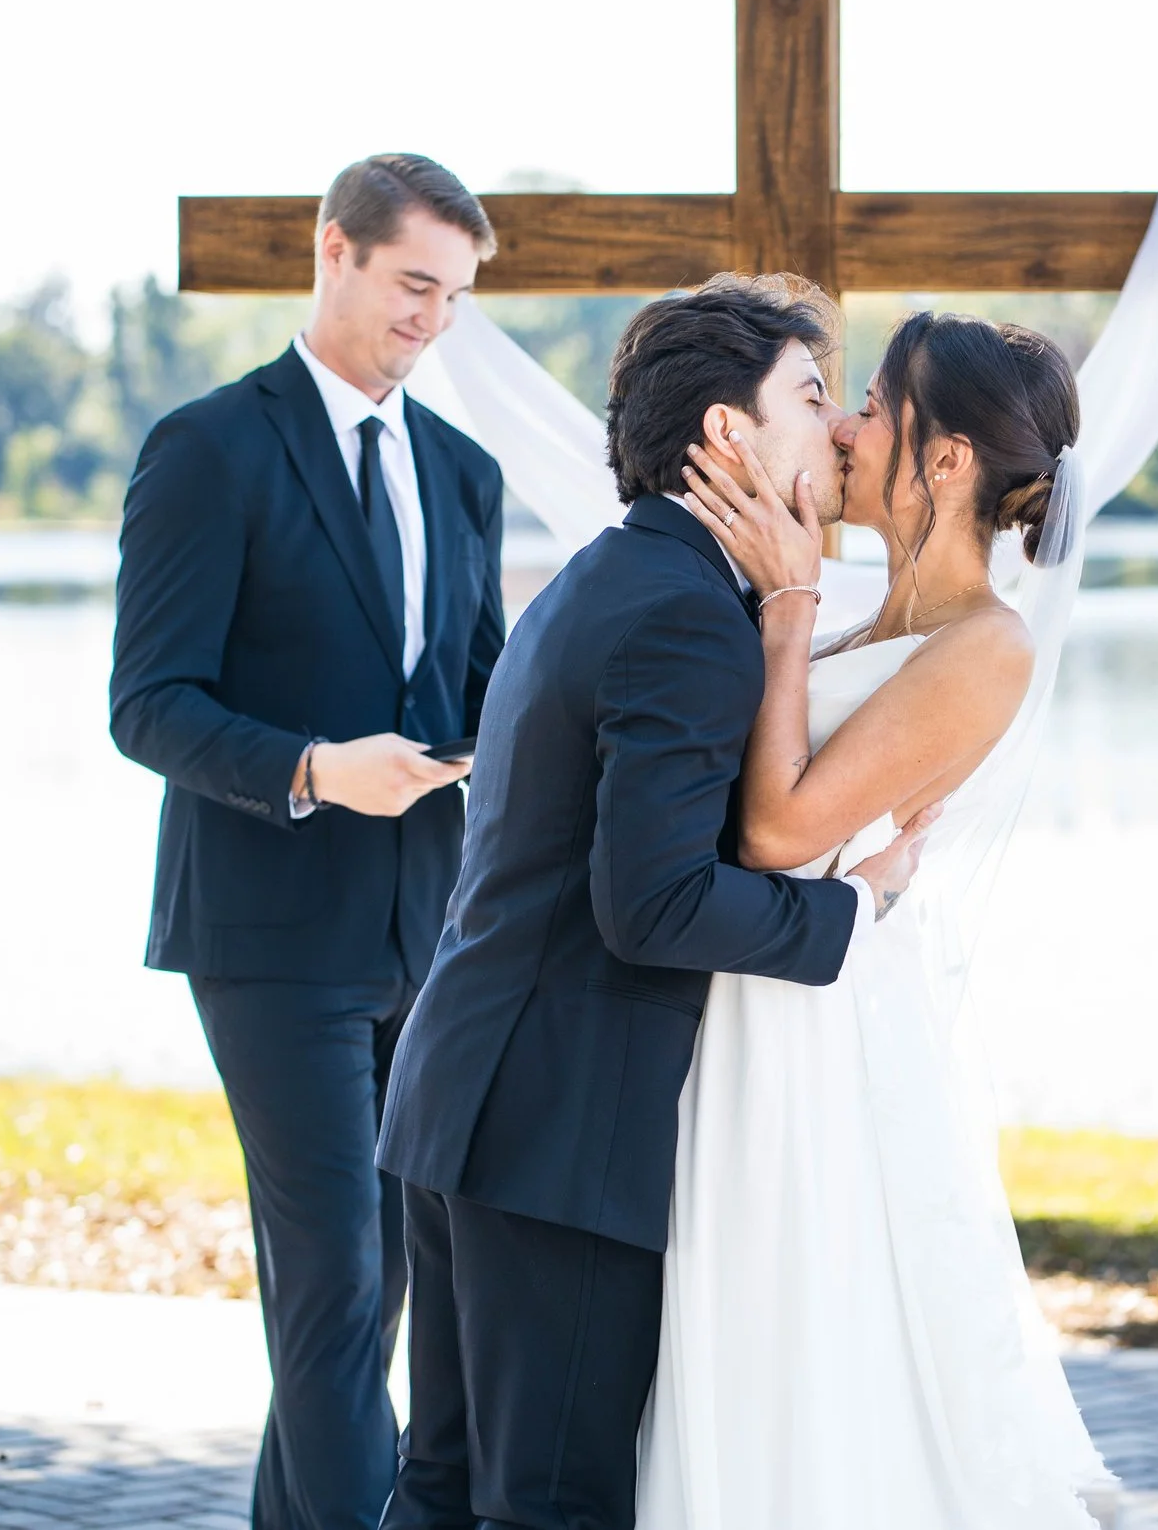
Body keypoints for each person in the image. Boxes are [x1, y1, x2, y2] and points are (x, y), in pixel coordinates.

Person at [373, 275, 937, 1529]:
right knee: (550, 1504)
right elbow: (655, 904)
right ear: (728, 432)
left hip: (468, 1094)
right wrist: (856, 906)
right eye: (810, 395)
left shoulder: (614, 574)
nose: (838, 426)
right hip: (554, 1129)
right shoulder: (683, 615)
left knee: (444, 1486)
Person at [643, 310, 1113, 1527]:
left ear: (944, 459)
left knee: (803, 1341)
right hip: (751, 999)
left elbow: (779, 830)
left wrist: (788, 606)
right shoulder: (872, 622)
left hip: (816, 1036)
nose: (845, 429)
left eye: (872, 409)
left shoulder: (984, 645)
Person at [108, 154, 507, 1530]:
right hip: (270, 936)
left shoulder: (463, 471)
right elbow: (148, 704)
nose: (431, 321)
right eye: (413, 284)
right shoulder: (209, 447)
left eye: (453, 298)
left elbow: (481, 689)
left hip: (429, 933)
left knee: (377, 1286)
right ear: (334, 249)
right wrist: (315, 770)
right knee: (337, 1280)